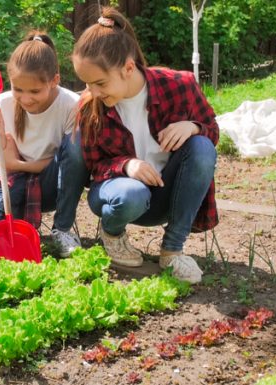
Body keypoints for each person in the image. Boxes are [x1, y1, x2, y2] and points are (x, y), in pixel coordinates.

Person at [71, 7, 219, 284]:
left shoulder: (180, 85)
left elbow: (212, 130)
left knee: (201, 147)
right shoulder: (90, 106)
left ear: (128, 67)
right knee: (131, 192)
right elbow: (94, 167)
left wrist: (194, 127)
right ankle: (112, 235)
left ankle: (172, 252)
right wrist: (127, 165)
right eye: (88, 84)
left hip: (166, 197)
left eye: (100, 83)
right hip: (120, 197)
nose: (94, 92)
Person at [0, 32, 88, 258]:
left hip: (54, 181)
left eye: (35, 91)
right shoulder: (1, 103)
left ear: (55, 80)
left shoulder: (71, 104)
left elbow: (71, 158)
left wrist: (25, 164)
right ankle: (19, 225)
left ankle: (62, 229)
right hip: (15, 178)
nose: (26, 99)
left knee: (78, 145)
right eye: (18, 89)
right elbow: (5, 163)